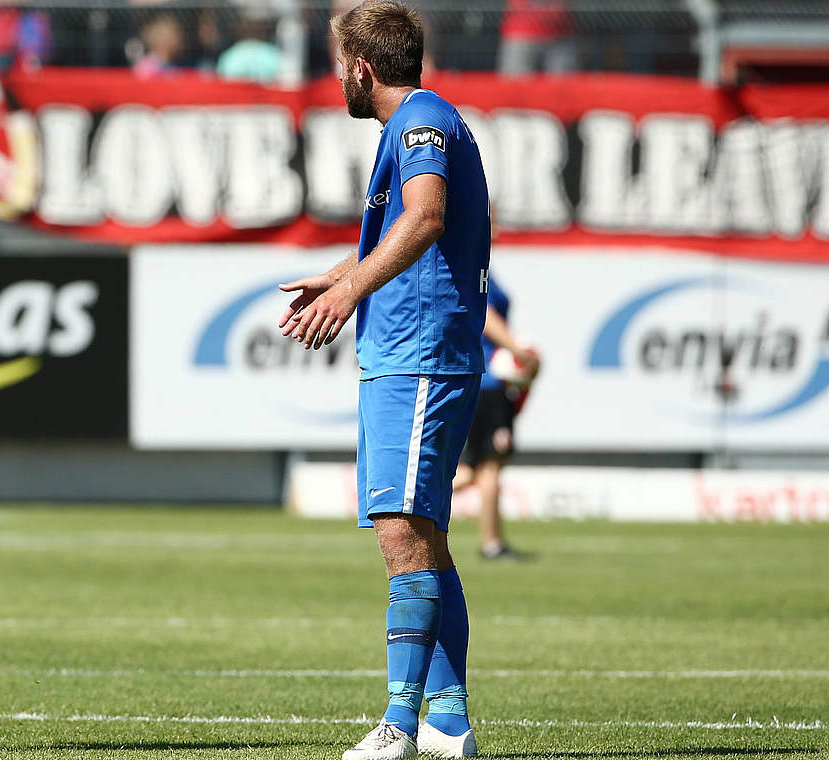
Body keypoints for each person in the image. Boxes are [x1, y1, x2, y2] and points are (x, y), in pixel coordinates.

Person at [278, 3, 487, 758]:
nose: (338, 77)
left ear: (360, 68)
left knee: (402, 532)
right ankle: (449, 722)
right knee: (422, 535)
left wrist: (349, 291)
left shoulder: (423, 124)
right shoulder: (413, 125)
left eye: (339, 63)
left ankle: (397, 726)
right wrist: (338, 274)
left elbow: (427, 216)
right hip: (411, 351)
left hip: (421, 352)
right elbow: (401, 227)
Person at [453, 275, 539, 560]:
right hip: (490, 385)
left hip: (479, 382)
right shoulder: (479, 267)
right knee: (488, 468)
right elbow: (485, 314)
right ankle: (492, 544)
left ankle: (408, 503)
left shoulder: (479, 264)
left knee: (470, 471)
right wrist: (517, 350)